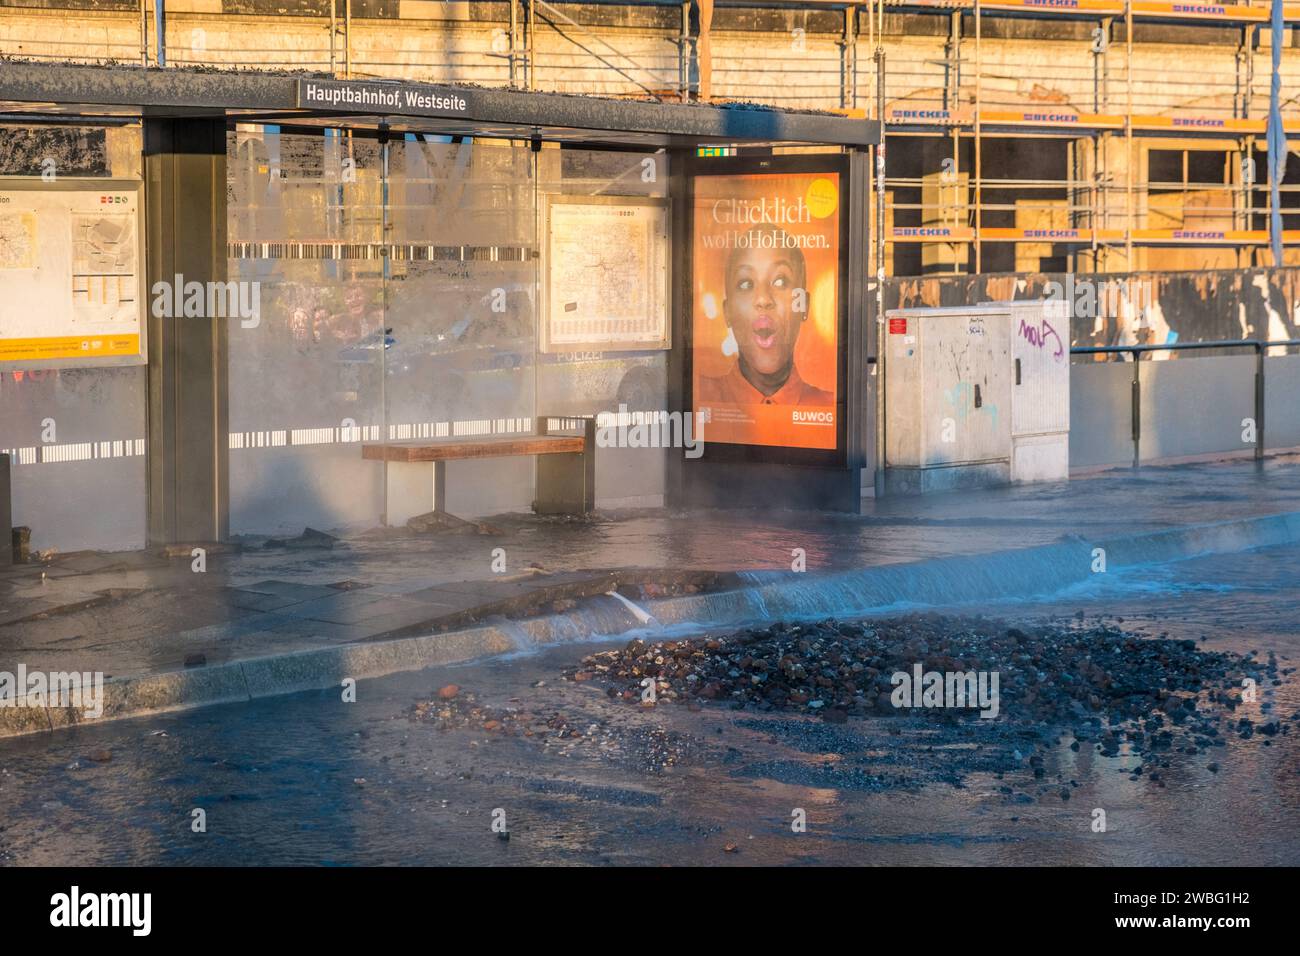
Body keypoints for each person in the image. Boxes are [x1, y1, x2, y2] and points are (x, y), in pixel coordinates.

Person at [697, 228, 834, 406]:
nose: (763, 300)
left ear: (804, 306)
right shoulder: (701, 398)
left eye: (780, 281)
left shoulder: (829, 408)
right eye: (746, 284)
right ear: (727, 311)